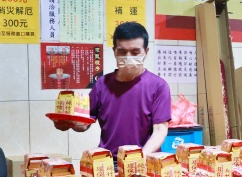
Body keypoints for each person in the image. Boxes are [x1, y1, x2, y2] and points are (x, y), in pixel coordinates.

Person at [54, 22, 171, 155]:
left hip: (144, 160)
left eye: (135, 52)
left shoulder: (158, 86)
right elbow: (84, 124)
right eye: (122, 52)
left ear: (146, 52)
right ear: (114, 51)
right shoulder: (102, 85)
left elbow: (160, 130)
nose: (128, 57)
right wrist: (69, 123)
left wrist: (140, 158)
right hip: (108, 162)